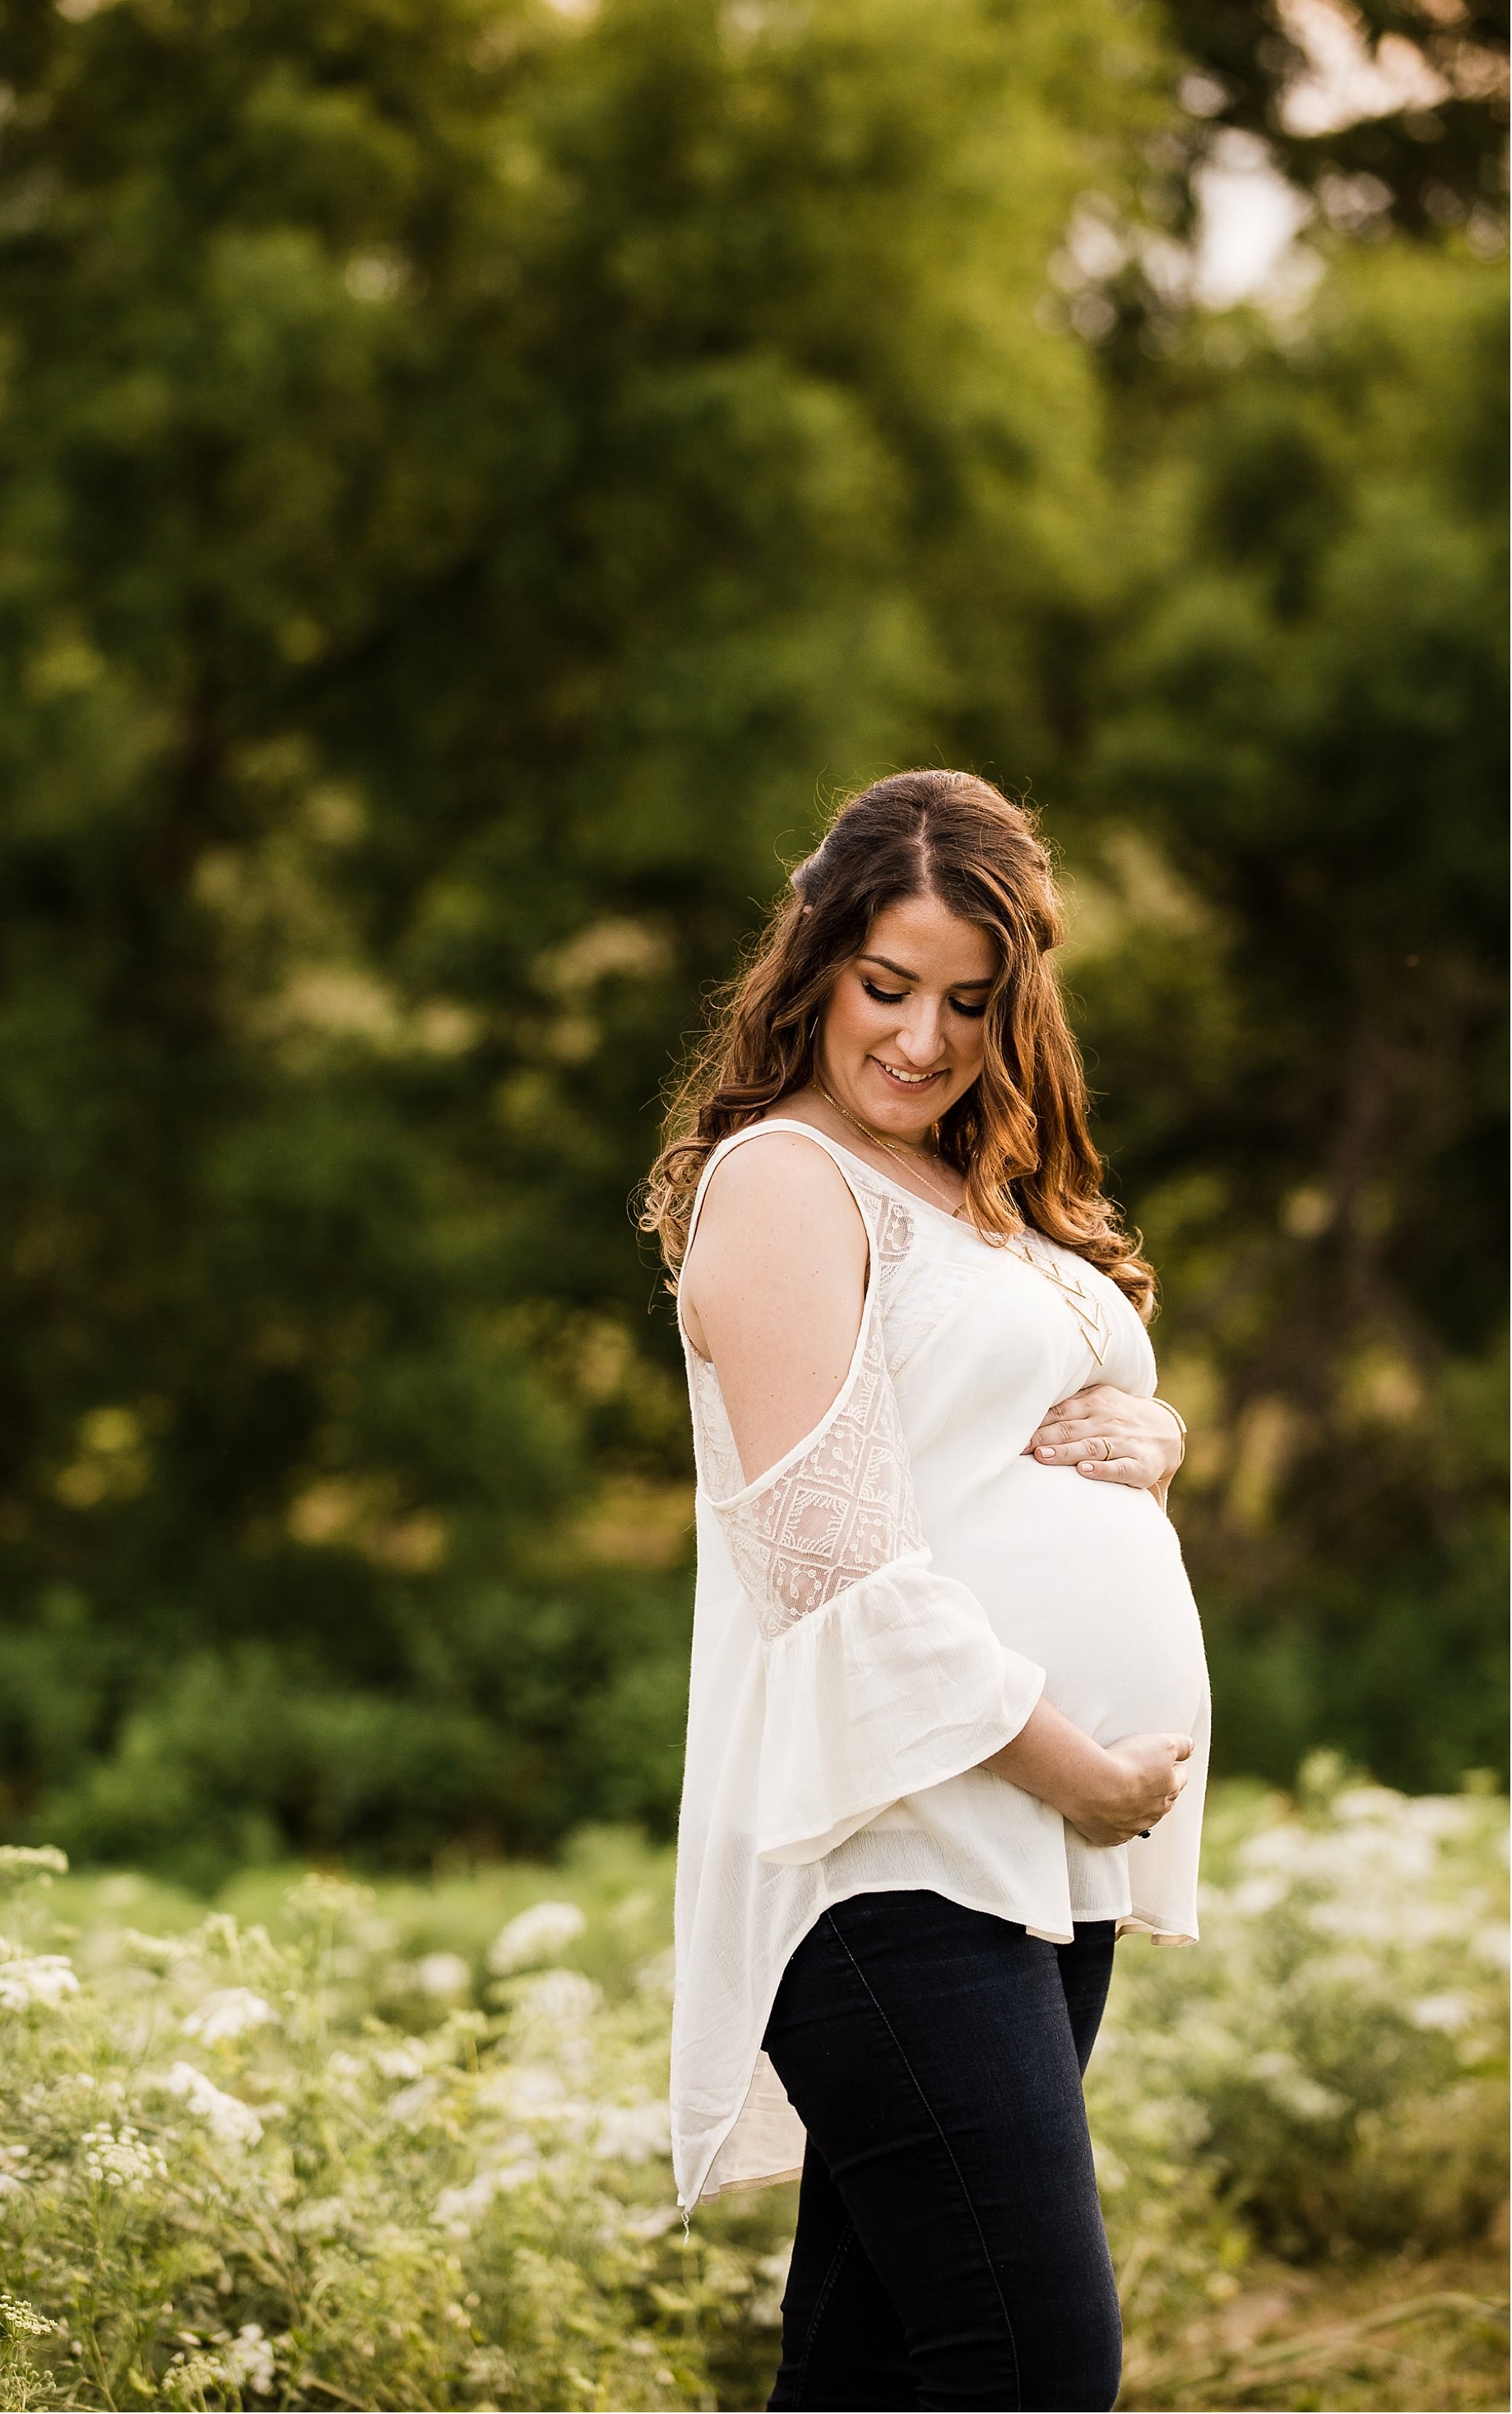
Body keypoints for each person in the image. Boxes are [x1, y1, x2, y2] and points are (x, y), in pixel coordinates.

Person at [639, 769, 1209, 2413]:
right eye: (885, 986)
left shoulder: (986, 1187)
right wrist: (1079, 1764)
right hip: (892, 1841)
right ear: (814, 962)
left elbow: (976, 1441)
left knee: (879, 2360)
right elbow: (831, 1559)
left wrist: (1146, 1445)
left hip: (1023, 1846)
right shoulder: (781, 1181)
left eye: (968, 1001)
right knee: (1029, 2359)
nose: (920, 1038)